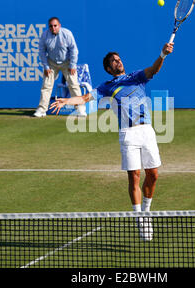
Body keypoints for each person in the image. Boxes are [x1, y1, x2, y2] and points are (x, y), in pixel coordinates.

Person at [50, 42, 174, 240]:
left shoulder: (136, 77)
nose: (118, 61)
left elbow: (154, 69)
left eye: (119, 59)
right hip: (128, 134)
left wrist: (163, 54)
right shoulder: (107, 87)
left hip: (147, 131)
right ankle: (139, 220)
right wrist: (66, 101)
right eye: (114, 61)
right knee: (133, 176)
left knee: (153, 175)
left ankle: (146, 212)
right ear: (109, 69)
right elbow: (84, 98)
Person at [33, 17, 87, 117]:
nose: (53, 28)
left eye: (55, 25)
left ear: (59, 26)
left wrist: (72, 65)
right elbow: (42, 51)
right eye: (51, 26)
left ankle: (80, 109)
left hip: (67, 62)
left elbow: (74, 50)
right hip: (51, 63)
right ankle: (42, 109)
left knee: (74, 84)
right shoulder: (45, 35)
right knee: (46, 85)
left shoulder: (67, 34)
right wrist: (46, 66)